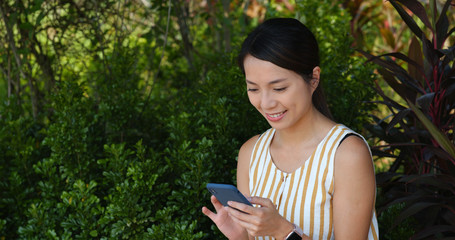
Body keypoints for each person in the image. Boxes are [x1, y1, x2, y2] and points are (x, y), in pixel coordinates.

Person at [202, 18, 379, 240]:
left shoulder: (347, 154)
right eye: (253, 89)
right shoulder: (250, 153)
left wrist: (283, 232)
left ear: (313, 78)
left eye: (279, 88)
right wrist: (239, 236)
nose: (266, 103)